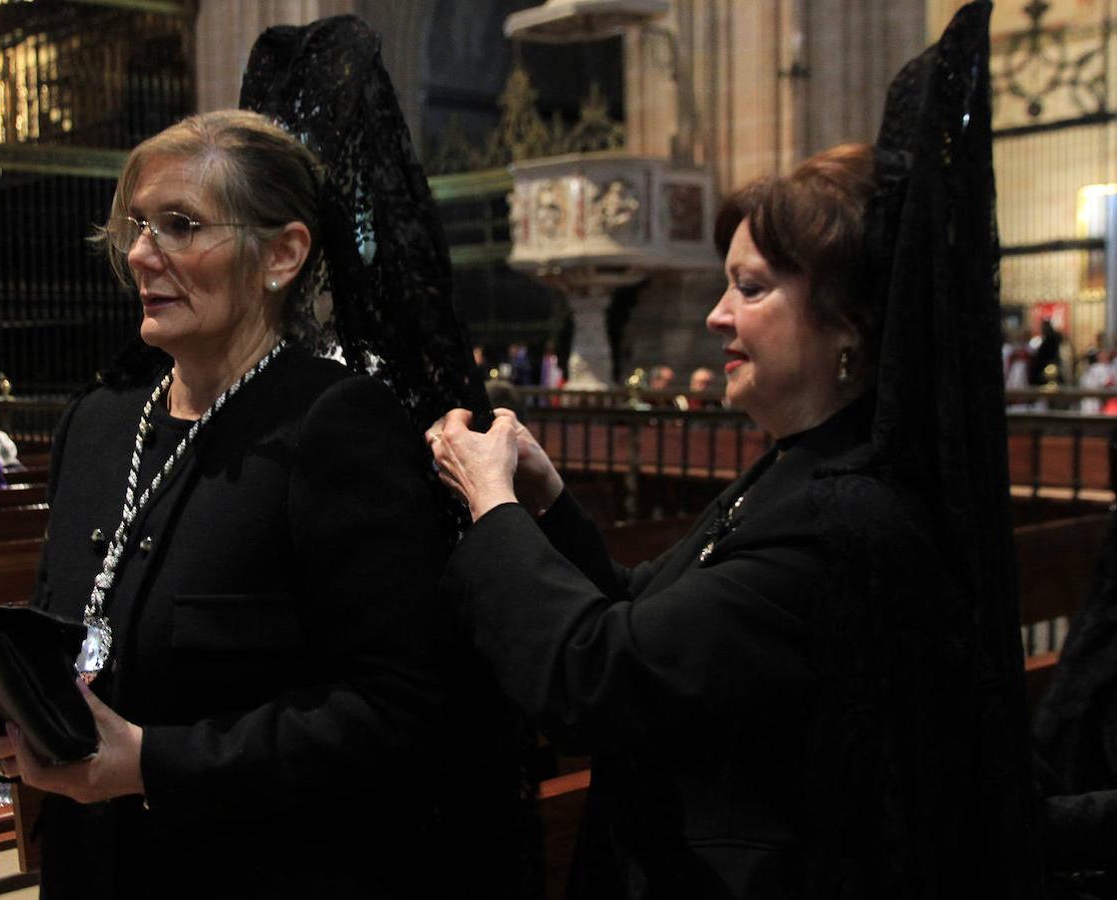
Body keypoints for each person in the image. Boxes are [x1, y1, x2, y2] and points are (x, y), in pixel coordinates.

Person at [427, 4, 1042, 897]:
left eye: (749, 289)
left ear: (849, 326)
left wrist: (490, 509)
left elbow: (603, 679)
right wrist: (551, 506)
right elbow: (656, 613)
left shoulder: (843, 514)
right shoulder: (805, 462)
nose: (716, 316)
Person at [0, 64, 522, 896]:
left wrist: (155, 762)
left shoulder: (335, 426)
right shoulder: (101, 423)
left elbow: (397, 707)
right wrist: (28, 713)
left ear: (283, 254)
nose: (142, 254)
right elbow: (73, 621)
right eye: (135, 227)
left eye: (180, 225)